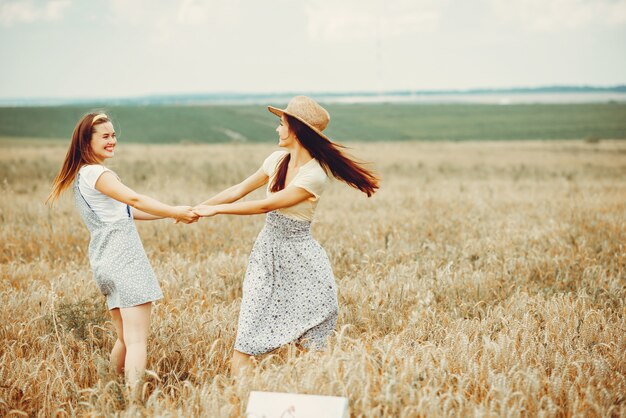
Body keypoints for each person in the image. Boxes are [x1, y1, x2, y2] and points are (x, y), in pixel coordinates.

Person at [193, 96, 379, 373]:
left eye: (281, 124)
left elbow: (267, 205)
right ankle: (238, 401)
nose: (277, 130)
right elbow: (238, 190)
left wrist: (217, 211)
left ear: (296, 130)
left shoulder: (314, 175)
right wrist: (196, 209)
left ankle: (308, 391)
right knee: (248, 329)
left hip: (301, 256)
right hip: (267, 252)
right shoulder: (276, 159)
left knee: (311, 335)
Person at [47, 113, 198, 389]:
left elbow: (128, 211)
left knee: (125, 339)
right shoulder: (97, 173)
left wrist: (170, 214)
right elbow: (134, 198)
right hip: (125, 259)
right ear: (86, 142)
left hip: (105, 262)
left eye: (114, 135)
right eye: (105, 136)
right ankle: (133, 404)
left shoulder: (82, 176)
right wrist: (173, 209)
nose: (112, 141)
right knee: (137, 341)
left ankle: (109, 393)